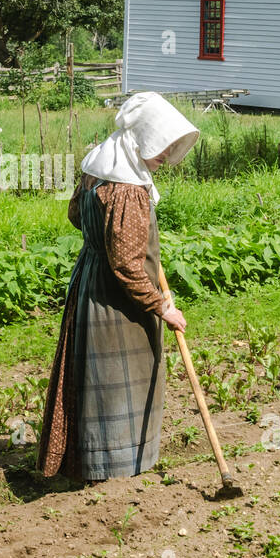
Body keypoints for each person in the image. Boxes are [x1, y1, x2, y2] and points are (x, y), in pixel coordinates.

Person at [36, 91, 200, 486]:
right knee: (120, 378)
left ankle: (89, 461)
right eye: (160, 149)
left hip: (89, 279)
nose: (164, 159)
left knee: (89, 375)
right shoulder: (128, 189)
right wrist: (162, 307)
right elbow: (127, 266)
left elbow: (77, 216)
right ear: (141, 138)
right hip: (116, 300)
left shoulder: (98, 167)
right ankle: (116, 466)